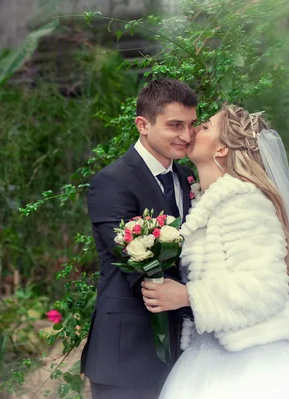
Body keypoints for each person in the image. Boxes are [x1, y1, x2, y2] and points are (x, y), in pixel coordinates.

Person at [142, 104, 289, 398]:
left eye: (205, 127)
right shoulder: (207, 202)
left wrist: (187, 295)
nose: (193, 130)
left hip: (252, 364)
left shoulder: (245, 203)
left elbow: (266, 289)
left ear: (221, 150)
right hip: (207, 356)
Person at [80, 79, 198, 399]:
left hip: (187, 353)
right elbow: (140, 262)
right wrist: (205, 295)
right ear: (142, 124)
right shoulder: (111, 182)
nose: (186, 136)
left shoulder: (187, 176)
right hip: (128, 353)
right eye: (175, 125)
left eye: (191, 125)